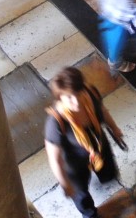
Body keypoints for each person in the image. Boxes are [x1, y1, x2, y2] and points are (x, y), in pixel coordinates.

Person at [44, 66, 124, 218]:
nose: (76, 102)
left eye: (78, 94)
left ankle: (103, 176)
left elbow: (102, 110)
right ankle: (90, 214)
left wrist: (114, 128)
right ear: (60, 97)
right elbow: (54, 159)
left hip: (98, 144)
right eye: (69, 97)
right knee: (80, 193)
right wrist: (65, 183)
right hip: (75, 162)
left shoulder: (90, 93)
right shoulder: (55, 123)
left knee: (108, 173)